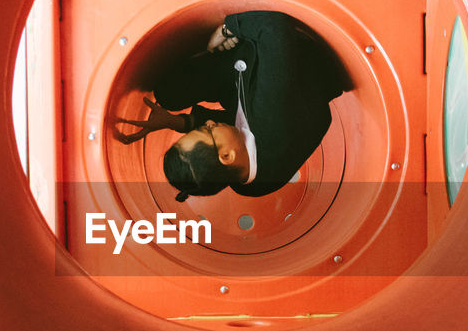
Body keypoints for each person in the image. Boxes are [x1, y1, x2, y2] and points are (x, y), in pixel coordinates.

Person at [114, 11, 348, 200]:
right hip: (297, 58)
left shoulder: (243, 182)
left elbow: (238, 130)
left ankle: (204, 71)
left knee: (168, 95)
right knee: (179, 87)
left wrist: (174, 122)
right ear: (226, 155)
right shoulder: (272, 117)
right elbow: (276, 27)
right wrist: (228, 29)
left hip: (258, 98)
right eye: (207, 131)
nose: (208, 123)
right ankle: (221, 46)